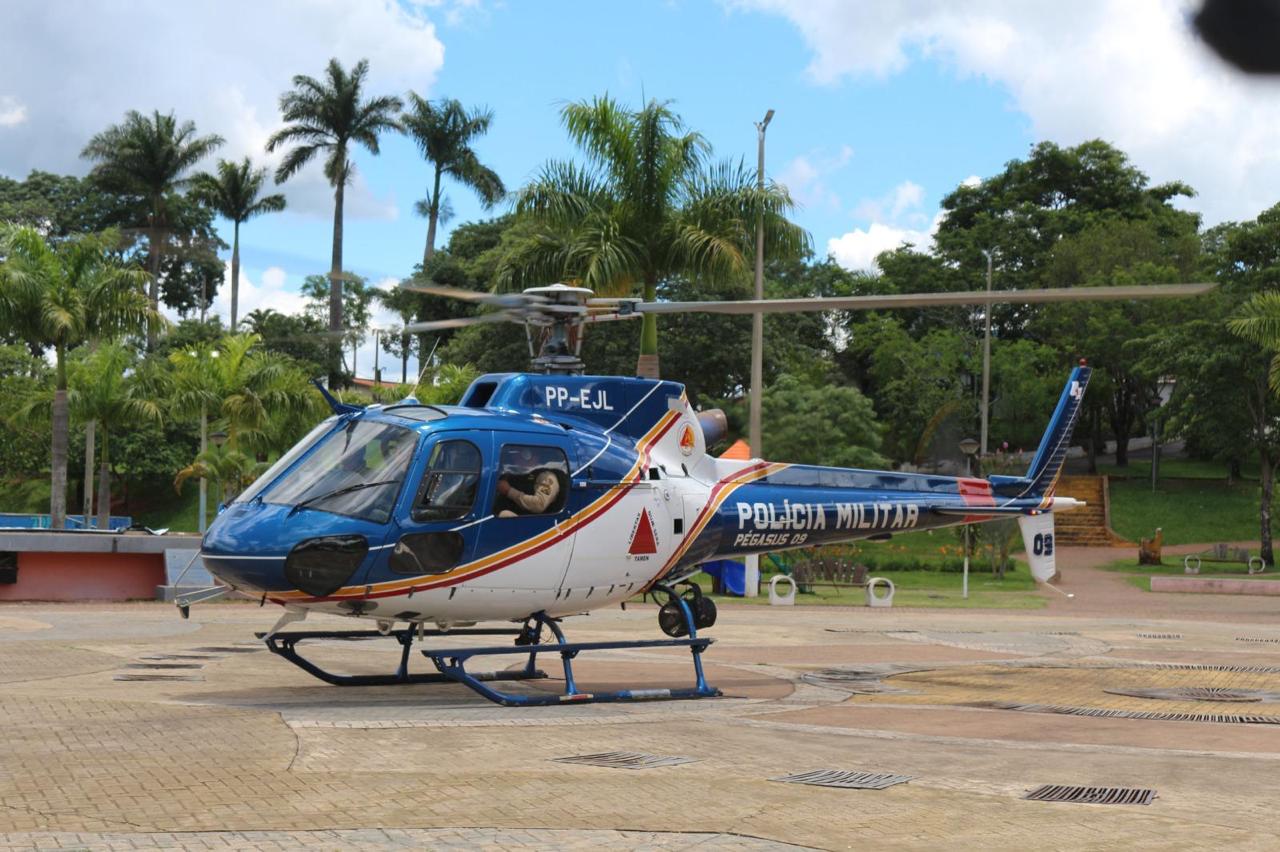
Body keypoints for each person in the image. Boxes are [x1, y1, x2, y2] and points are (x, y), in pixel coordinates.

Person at [496, 447, 562, 517]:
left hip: (534, 521)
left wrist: (509, 491)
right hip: (509, 516)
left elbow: (539, 505)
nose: (513, 458)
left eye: (516, 454)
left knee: (505, 514)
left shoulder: (546, 477)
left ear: (527, 456)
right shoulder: (511, 474)